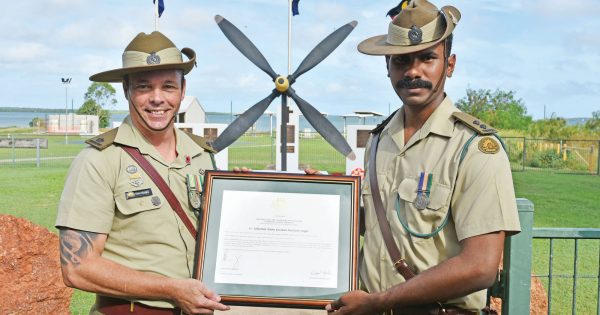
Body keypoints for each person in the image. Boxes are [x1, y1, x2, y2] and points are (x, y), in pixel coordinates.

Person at [325, 1, 521, 314]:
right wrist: (317, 196)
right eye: (401, 61)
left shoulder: (475, 147)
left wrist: (379, 302)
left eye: (428, 58)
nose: (413, 71)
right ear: (387, 67)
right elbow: (378, 224)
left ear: (451, 64)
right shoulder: (378, 140)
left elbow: (480, 265)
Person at [56, 31, 231, 315]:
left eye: (168, 86)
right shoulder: (99, 160)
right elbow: (78, 268)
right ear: (126, 90)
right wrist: (172, 289)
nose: (157, 98)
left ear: (183, 90)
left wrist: (254, 191)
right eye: (144, 87)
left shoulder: (202, 157)